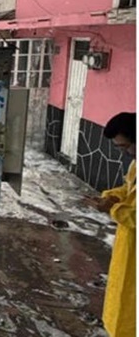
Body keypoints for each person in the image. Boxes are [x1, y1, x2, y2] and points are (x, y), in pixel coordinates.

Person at [93, 112, 136, 337]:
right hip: (128, 246)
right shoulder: (136, 165)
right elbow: (129, 189)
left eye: (126, 147)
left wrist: (113, 209)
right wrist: (111, 197)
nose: (125, 153)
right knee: (122, 303)